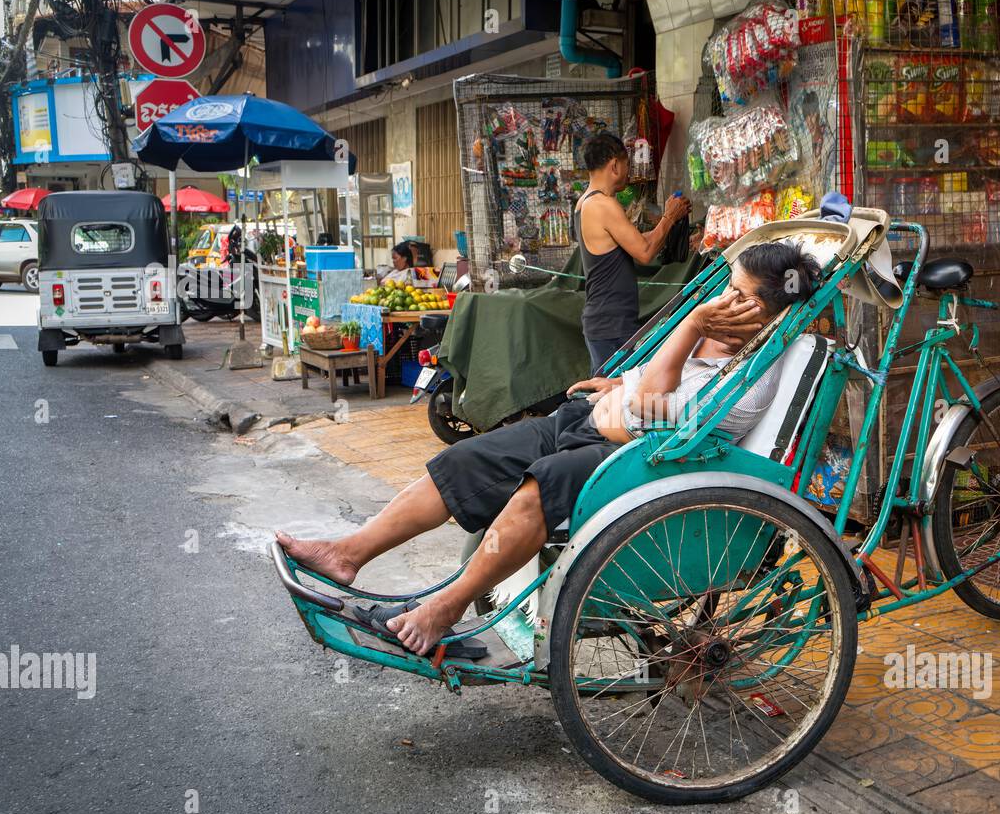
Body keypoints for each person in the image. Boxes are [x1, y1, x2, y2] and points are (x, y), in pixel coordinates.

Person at [276, 240, 820, 658]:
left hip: (643, 466)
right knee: (468, 459)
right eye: (728, 286)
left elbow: (651, 407)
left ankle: (446, 607)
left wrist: (688, 330)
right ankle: (348, 554)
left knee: (539, 488)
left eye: (740, 295)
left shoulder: (751, 377)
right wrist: (618, 388)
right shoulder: (721, 334)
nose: (724, 300)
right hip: (589, 428)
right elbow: (643, 387)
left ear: (769, 312)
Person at [576, 134, 691, 375]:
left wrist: (668, 221)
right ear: (614, 165)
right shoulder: (602, 205)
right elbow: (644, 252)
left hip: (606, 320)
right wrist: (669, 218)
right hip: (611, 324)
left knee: (608, 396)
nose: (629, 171)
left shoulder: (586, 202)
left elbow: (636, 242)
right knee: (613, 399)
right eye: (627, 164)